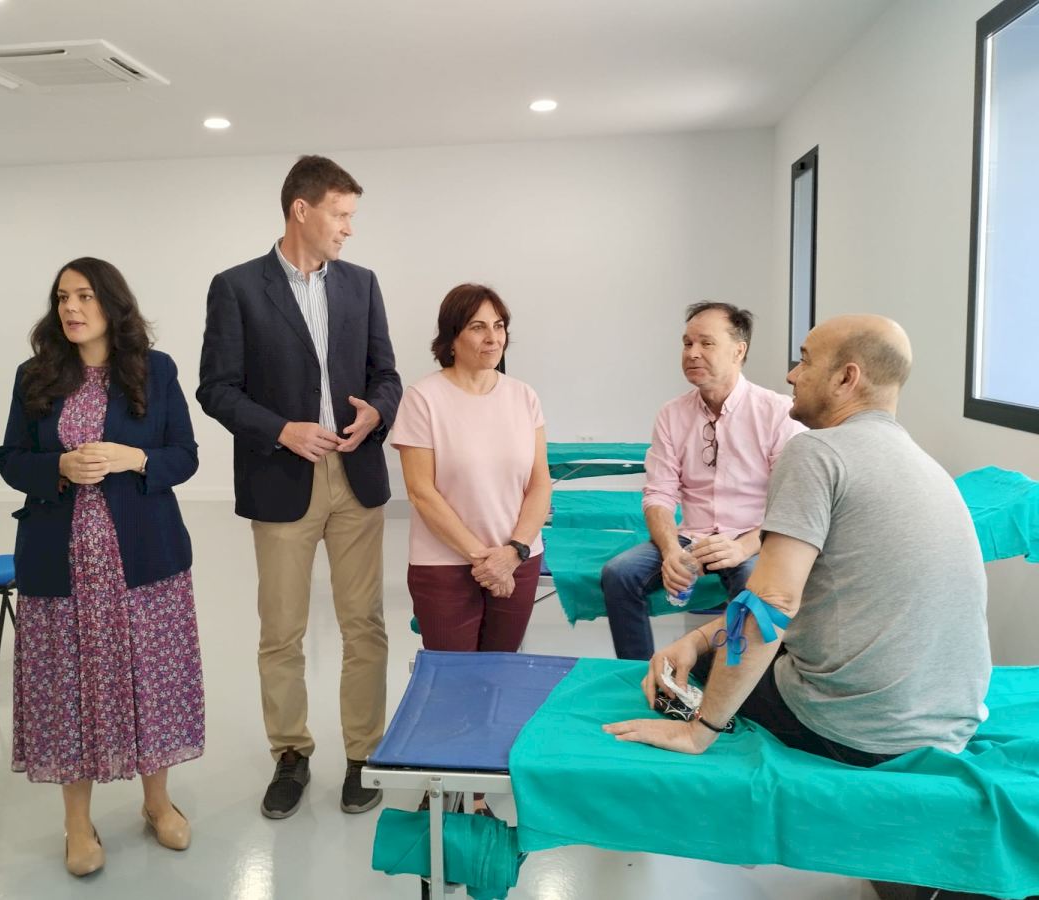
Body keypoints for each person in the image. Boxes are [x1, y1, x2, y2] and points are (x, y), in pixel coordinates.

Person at [604, 315, 992, 770]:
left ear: (846, 378)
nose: (791, 374)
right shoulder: (925, 464)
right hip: (947, 728)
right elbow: (803, 598)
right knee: (710, 637)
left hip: (857, 736)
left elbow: (773, 603)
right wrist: (697, 637)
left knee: (704, 669)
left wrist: (699, 730)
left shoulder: (814, 451)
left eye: (805, 361)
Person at [197, 155, 401, 820]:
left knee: (364, 624)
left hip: (355, 475)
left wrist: (376, 413)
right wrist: (281, 429)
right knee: (282, 631)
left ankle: (364, 753)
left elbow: (387, 376)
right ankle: (291, 753)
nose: (348, 228)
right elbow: (215, 389)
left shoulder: (362, 284)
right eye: (341, 215)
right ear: (301, 210)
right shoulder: (236, 288)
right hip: (281, 478)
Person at [0, 258, 204, 876]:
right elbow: (10, 458)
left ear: (112, 305)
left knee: (150, 683)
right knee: (68, 691)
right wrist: (57, 467)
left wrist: (135, 458)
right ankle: (78, 824)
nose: (71, 308)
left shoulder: (155, 370)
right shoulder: (34, 375)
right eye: (63, 297)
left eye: (85, 296)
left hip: (144, 559)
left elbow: (185, 455)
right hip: (60, 564)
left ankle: (157, 803)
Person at [601, 302, 804, 660]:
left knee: (756, 587)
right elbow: (658, 494)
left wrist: (743, 547)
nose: (692, 353)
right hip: (691, 537)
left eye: (706, 343)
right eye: (687, 343)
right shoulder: (671, 414)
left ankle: (736, 682)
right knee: (619, 574)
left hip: (752, 538)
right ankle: (640, 672)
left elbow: (793, 504)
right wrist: (670, 552)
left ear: (738, 350)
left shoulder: (776, 413)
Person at [393, 283, 551, 653]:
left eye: (499, 326)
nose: (493, 338)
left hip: (518, 560)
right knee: (453, 678)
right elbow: (421, 492)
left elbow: (540, 483)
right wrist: (485, 561)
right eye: (478, 327)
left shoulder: (524, 396)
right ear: (452, 338)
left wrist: (513, 552)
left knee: (500, 672)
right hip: (444, 565)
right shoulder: (423, 398)